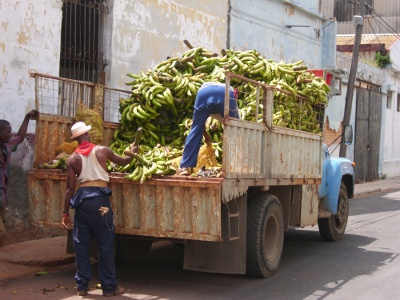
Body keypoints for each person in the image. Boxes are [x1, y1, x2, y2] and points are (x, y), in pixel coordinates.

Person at [61, 121, 137, 297]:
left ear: (75, 139)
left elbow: (69, 189)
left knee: (81, 245)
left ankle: (82, 287)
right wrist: (132, 152)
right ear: (87, 134)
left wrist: (65, 213)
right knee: (105, 245)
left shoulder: (72, 159)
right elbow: (124, 162)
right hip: (101, 203)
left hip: (83, 204)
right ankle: (109, 288)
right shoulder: (103, 150)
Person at [177, 82, 240, 175]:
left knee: (195, 129)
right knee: (237, 131)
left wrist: (205, 135)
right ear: (236, 98)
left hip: (204, 92)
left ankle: (184, 167)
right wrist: (209, 135)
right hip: (226, 92)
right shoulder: (233, 103)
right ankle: (235, 165)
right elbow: (235, 128)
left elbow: (199, 124)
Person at [0, 109, 39, 246]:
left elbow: (21, 137)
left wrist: (27, 118)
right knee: (1, 232)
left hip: (2, 195)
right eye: (7, 132)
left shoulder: (7, 146)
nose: (10, 134)